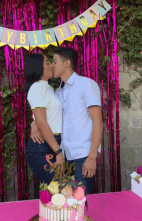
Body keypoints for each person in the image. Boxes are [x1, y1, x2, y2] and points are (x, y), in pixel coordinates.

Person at [30, 47, 103, 195]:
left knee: (80, 203)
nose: (52, 65)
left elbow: (98, 121)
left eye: (55, 62)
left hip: (83, 156)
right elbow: (49, 114)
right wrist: (34, 122)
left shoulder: (86, 84)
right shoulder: (58, 91)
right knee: (64, 203)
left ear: (67, 63)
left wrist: (92, 157)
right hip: (64, 157)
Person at [24, 53, 65, 199]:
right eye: (47, 63)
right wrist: (58, 151)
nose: (51, 65)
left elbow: (43, 117)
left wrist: (33, 121)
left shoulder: (47, 88)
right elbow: (42, 122)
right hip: (44, 147)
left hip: (51, 144)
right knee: (57, 191)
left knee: (51, 192)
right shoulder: (37, 88)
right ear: (38, 68)